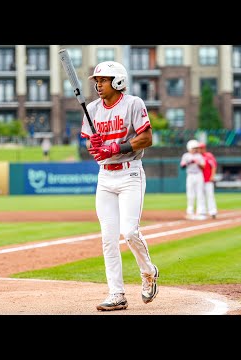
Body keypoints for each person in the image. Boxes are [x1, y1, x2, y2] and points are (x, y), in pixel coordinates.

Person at [81, 60, 159, 311]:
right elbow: (90, 146)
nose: (98, 85)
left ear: (117, 81)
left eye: (103, 80)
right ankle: (116, 294)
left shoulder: (133, 103)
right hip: (105, 177)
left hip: (130, 174)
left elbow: (146, 137)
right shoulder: (92, 109)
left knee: (130, 232)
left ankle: (148, 272)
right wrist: (93, 145)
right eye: (96, 81)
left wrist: (116, 147)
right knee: (108, 239)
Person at [180, 139, 206, 220]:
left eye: (196, 148)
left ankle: (200, 211)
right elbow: (182, 166)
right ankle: (190, 211)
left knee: (200, 193)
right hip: (190, 175)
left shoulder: (199, 156)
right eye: (194, 148)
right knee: (190, 194)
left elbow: (203, 166)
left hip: (198, 175)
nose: (196, 149)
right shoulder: (186, 156)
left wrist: (197, 163)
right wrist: (189, 162)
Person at [199, 142, 218, 219]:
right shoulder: (197, 157)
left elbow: (214, 166)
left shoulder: (208, 156)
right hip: (200, 180)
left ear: (204, 148)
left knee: (210, 196)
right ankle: (202, 211)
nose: (200, 150)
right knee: (201, 196)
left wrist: (212, 176)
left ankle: (212, 211)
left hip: (208, 179)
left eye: (201, 148)